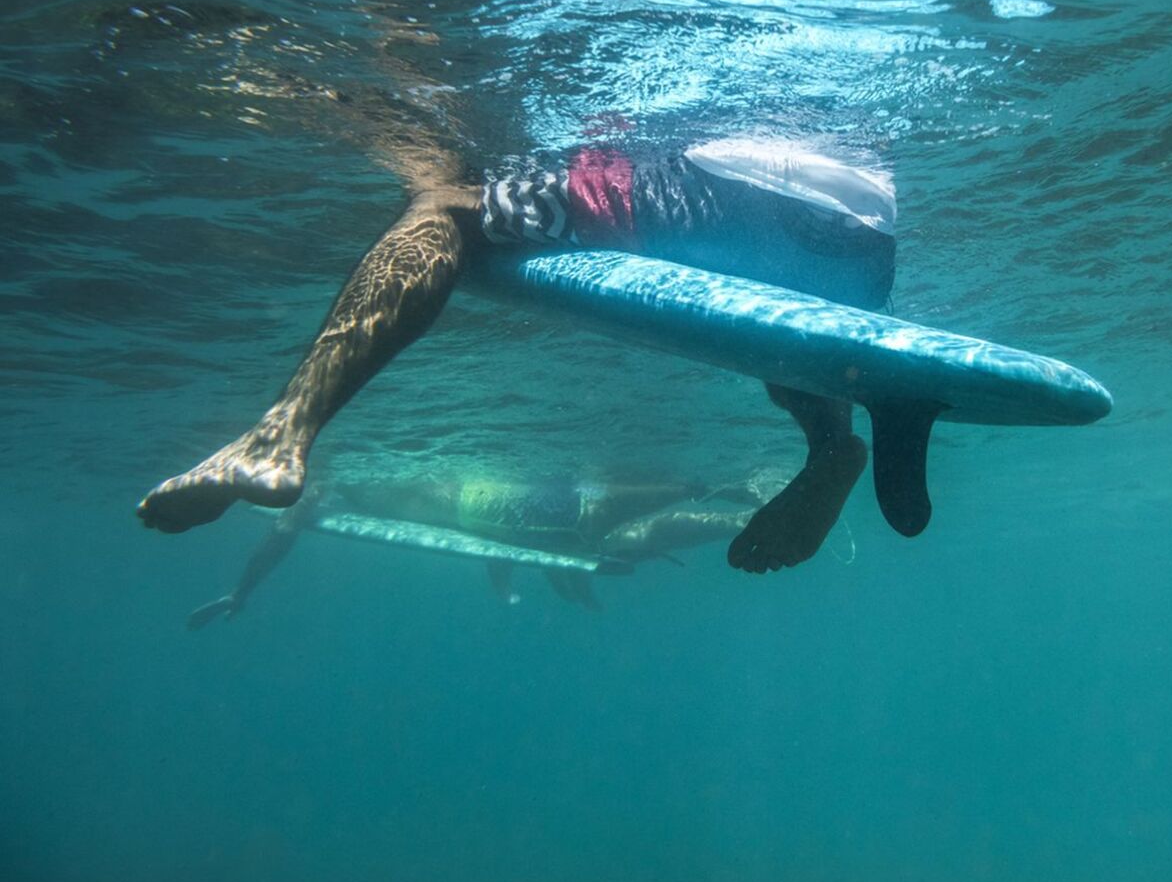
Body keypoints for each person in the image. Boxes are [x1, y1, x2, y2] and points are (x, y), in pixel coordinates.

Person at [137, 134, 905, 574]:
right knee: (776, 325)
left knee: (444, 207)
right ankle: (829, 441)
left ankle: (280, 436)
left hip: (736, 189)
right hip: (869, 236)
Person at [186, 471, 773, 629]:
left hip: (501, 509)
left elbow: (282, 534)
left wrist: (242, 590)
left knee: (602, 523)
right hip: (498, 508)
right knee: (614, 531)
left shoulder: (322, 481)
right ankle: (739, 509)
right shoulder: (328, 479)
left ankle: (730, 496)